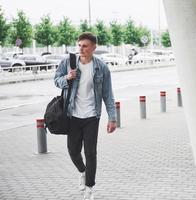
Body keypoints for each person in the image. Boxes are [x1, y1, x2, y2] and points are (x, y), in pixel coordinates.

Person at [54, 32, 117, 200]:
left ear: (94, 48)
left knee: (91, 153)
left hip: (91, 116)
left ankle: (89, 187)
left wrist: (112, 118)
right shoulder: (68, 62)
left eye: (85, 46)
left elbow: (107, 94)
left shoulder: (101, 67)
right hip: (72, 114)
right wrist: (67, 78)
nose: (81, 48)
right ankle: (82, 171)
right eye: (79, 45)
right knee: (73, 151)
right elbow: (56, 80)